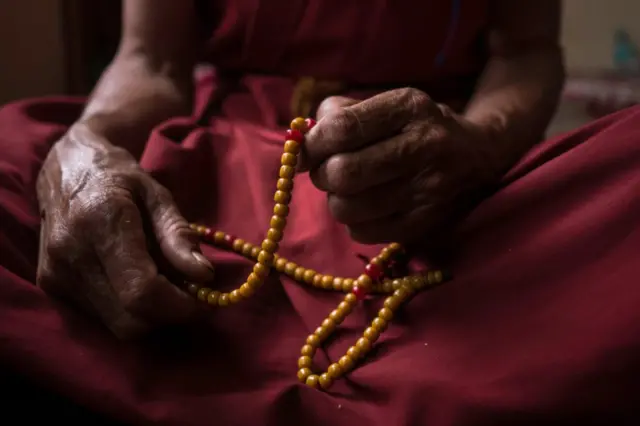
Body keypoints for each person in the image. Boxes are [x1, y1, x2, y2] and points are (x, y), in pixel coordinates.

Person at [1, 0, 639, 424]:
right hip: (220, 149)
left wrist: (478, 145)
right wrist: (87, 148)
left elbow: (527, 52)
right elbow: (151, 61)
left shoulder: (456, 153)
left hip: (438, 157)